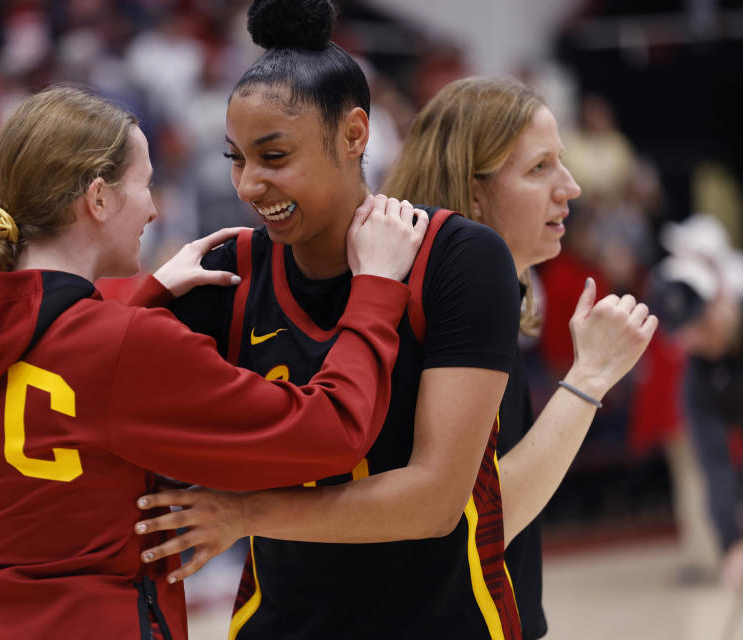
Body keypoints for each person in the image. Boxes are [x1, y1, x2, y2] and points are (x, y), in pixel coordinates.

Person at [0, 5, 656, 640]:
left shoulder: (460, 256)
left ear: (355, 134)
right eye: (236, 158)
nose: (247, 185)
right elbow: (71, 392)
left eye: (274, 156)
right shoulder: (226, 269)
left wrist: (242, 513)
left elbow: (436, 500)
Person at [129, 75, 655, 639]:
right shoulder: (457, 289)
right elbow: (487, 511)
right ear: (473, 190)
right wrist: (587, 381)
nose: (570, 186)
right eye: (539, 168)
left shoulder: (482, 285)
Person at [0, 84, 426, 640]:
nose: (155, 208)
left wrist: (145, 295)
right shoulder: (124, 343)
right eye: (145, 183)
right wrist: (373, 292)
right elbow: (332, 431)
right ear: (98, 197)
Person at [649, 224, 743, 590]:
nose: (698, 340)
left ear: (721, 296)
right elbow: (714, 464)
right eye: (687, 333)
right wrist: (732, 544)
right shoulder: (697, 376)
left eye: (703, 324)